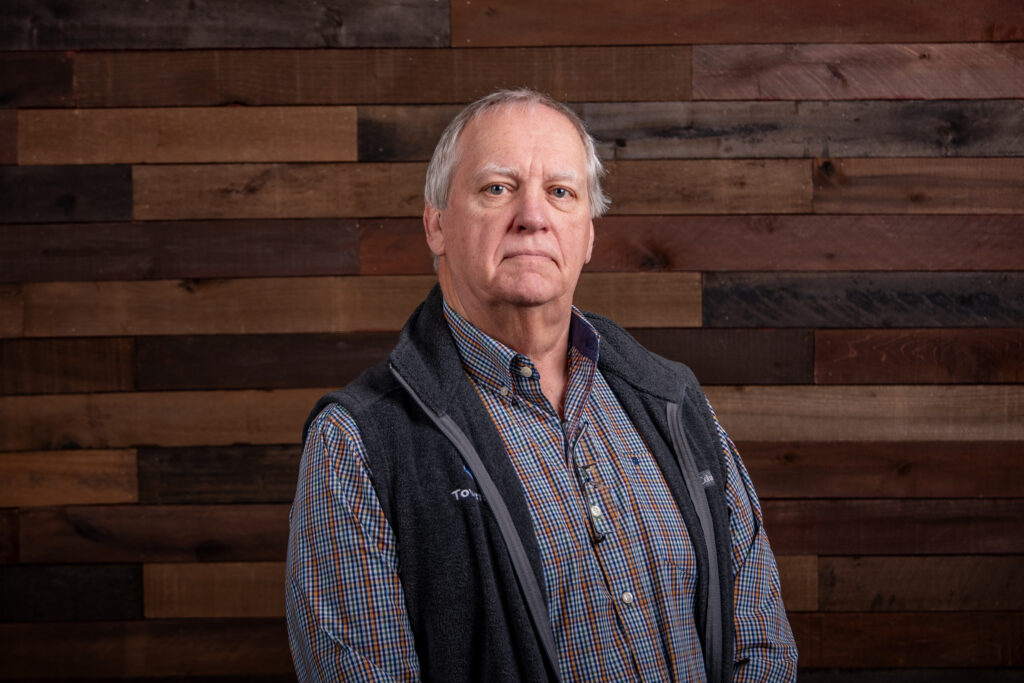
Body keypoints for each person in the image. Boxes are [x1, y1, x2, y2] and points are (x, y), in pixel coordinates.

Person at [286, 88, 798, 682]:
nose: (532, 215)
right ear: (436, 225)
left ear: (587, 236)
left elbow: (761, 645)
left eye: (560, 192)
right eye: (497, 188)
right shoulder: (356, 445)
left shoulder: (673, 400)